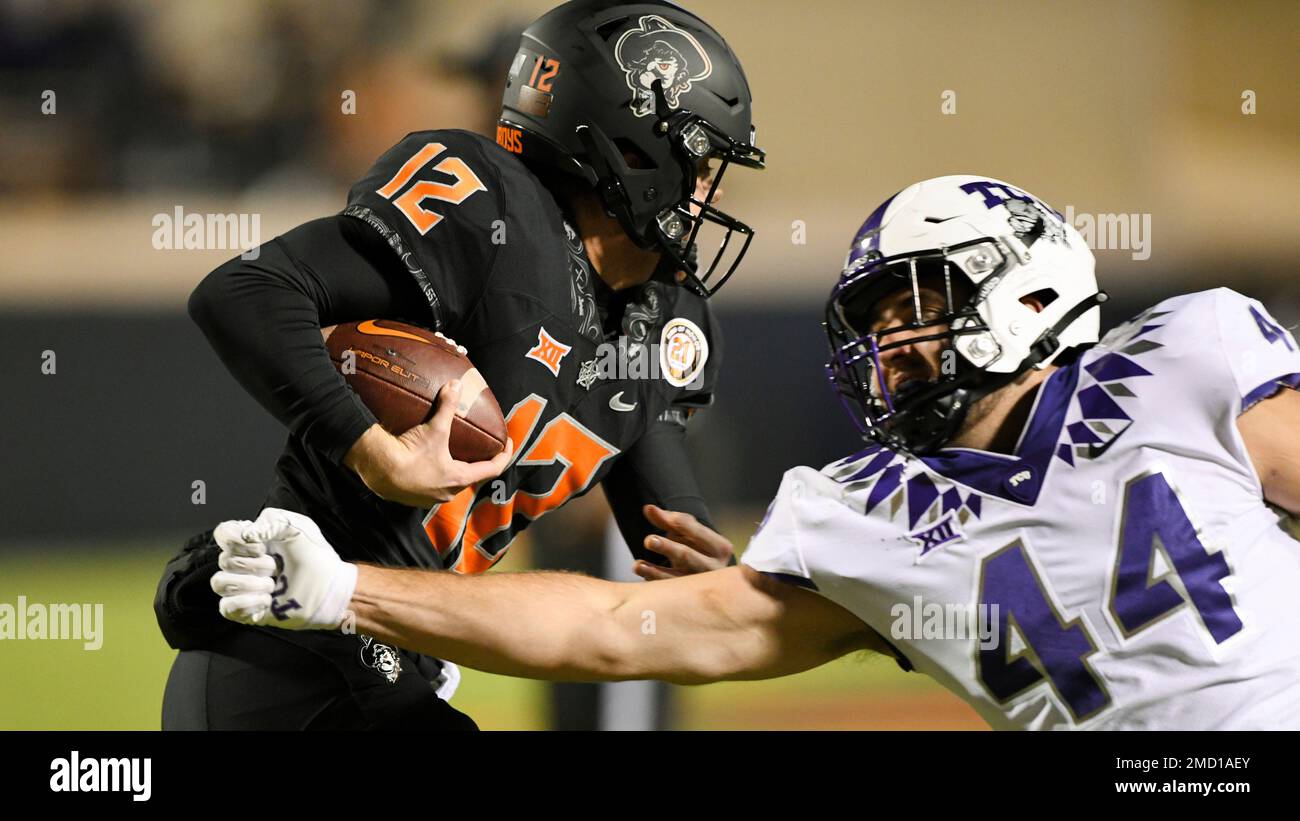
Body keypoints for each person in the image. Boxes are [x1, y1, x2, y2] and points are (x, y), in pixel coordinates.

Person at [211, 175, 1300, 730]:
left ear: (1024, 278)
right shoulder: (867, 515)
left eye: (912, 305)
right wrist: (350, 586)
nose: (891, 347)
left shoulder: (1187, 354)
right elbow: (606, 626)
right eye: (872, 326)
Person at [157, 0, 766, 730]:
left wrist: (705, 587)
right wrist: (373, 449)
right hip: (292, 653)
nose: (714, 189)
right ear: (629, 149)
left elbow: (669, 552)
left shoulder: (667, 324)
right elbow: (244, 290)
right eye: (699, 162)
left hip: (384, 653)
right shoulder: (492, 210)